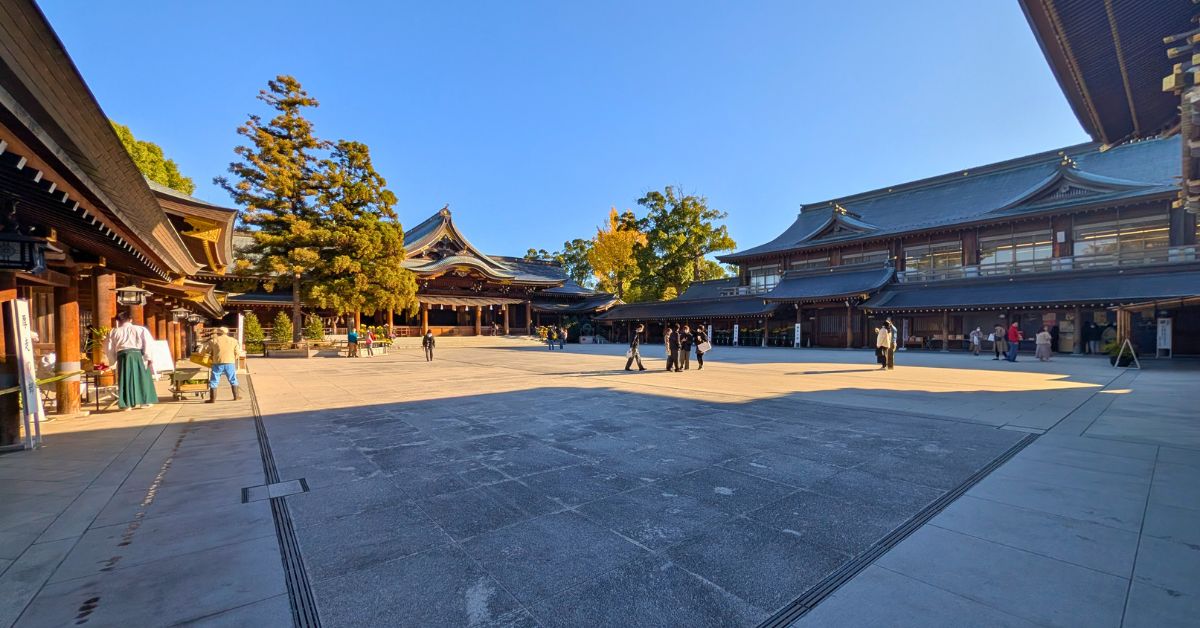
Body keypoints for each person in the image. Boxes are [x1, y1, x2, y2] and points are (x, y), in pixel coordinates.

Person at [104, 310, 157, 410]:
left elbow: (109, 347)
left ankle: (126, 404)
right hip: (138, 355)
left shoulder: (114, 331)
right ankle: (144, 402)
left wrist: (113, 360)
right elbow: (148, 343)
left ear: (118, 321)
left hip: (122, 356)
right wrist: (148, 357)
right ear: (130, 319)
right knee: (142, 378)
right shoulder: (140, 329)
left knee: (125, 378)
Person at [205, 327, 243, 403]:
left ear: (218, 332)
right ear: (227, 332)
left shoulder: (213, 340)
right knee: (232, 379)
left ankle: (212, 399)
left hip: (217, 363)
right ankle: (236, 396)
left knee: (214, 380)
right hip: (230, 362)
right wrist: (233, 358)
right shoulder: (234, 341)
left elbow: (206, 350)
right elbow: (238, 353)